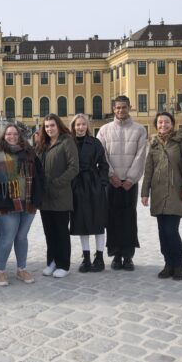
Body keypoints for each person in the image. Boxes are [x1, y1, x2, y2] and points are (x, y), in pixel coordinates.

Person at [141, 112, 182, 280]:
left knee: (171, 230)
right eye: (160, 122)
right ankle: (168, 264)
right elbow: (148, 169)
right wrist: (145, 193)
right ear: (156, 125)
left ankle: (178, 264)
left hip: (176, 192)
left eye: (166, 122)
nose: (163, 125)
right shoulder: (154, 143)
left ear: (172, 124)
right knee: (162, 231)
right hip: (158, 193)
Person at [0, 124, 43, 286]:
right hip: (5, 203)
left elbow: (40, 174)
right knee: (7, 237)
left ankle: (21, 269)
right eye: (8, 134)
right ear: (4, 136)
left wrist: (38, 195)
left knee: (22, 237)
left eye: (15, 134)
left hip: (28, 201)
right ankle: (0, 271)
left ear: (19, 136)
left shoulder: (30, 153)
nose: (12, 137)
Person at [97, 96, 147, 271]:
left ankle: (128, 256)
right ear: (113, 109)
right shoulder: (104, 130)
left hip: (129, 184)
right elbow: (101, 155)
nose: (120, 111)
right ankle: (116, 255)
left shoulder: (140, 130)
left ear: (129, 107)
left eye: (124, 107)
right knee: (112, 218)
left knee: (129, 219)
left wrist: (131, 178)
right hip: (112, 183)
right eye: (117, 108)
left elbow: (141, 156)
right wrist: (112, 176)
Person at [36, 114, 79, 278]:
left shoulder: (67, 141)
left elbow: (74, 167)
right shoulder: (43, 144)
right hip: (45, 196)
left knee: (61, 231)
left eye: (52, 125)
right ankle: (52, 261)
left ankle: (63, 264)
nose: (49, 129)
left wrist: (57, 182)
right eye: (46, 126)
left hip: (60, 195)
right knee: (49, 232)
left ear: (58, 126)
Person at [69, 114, 109, 272]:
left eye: (83, 124)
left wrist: (102, 183)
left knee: (98, 221)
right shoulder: (69, 143)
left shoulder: (95, 143)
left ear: (87, 126)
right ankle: (85, 258)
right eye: (77, 125)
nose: (80, 127)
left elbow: (104, 165)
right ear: (73, 127)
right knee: (81, 222)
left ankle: (99, 257)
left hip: (94, 185)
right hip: (76, 185)